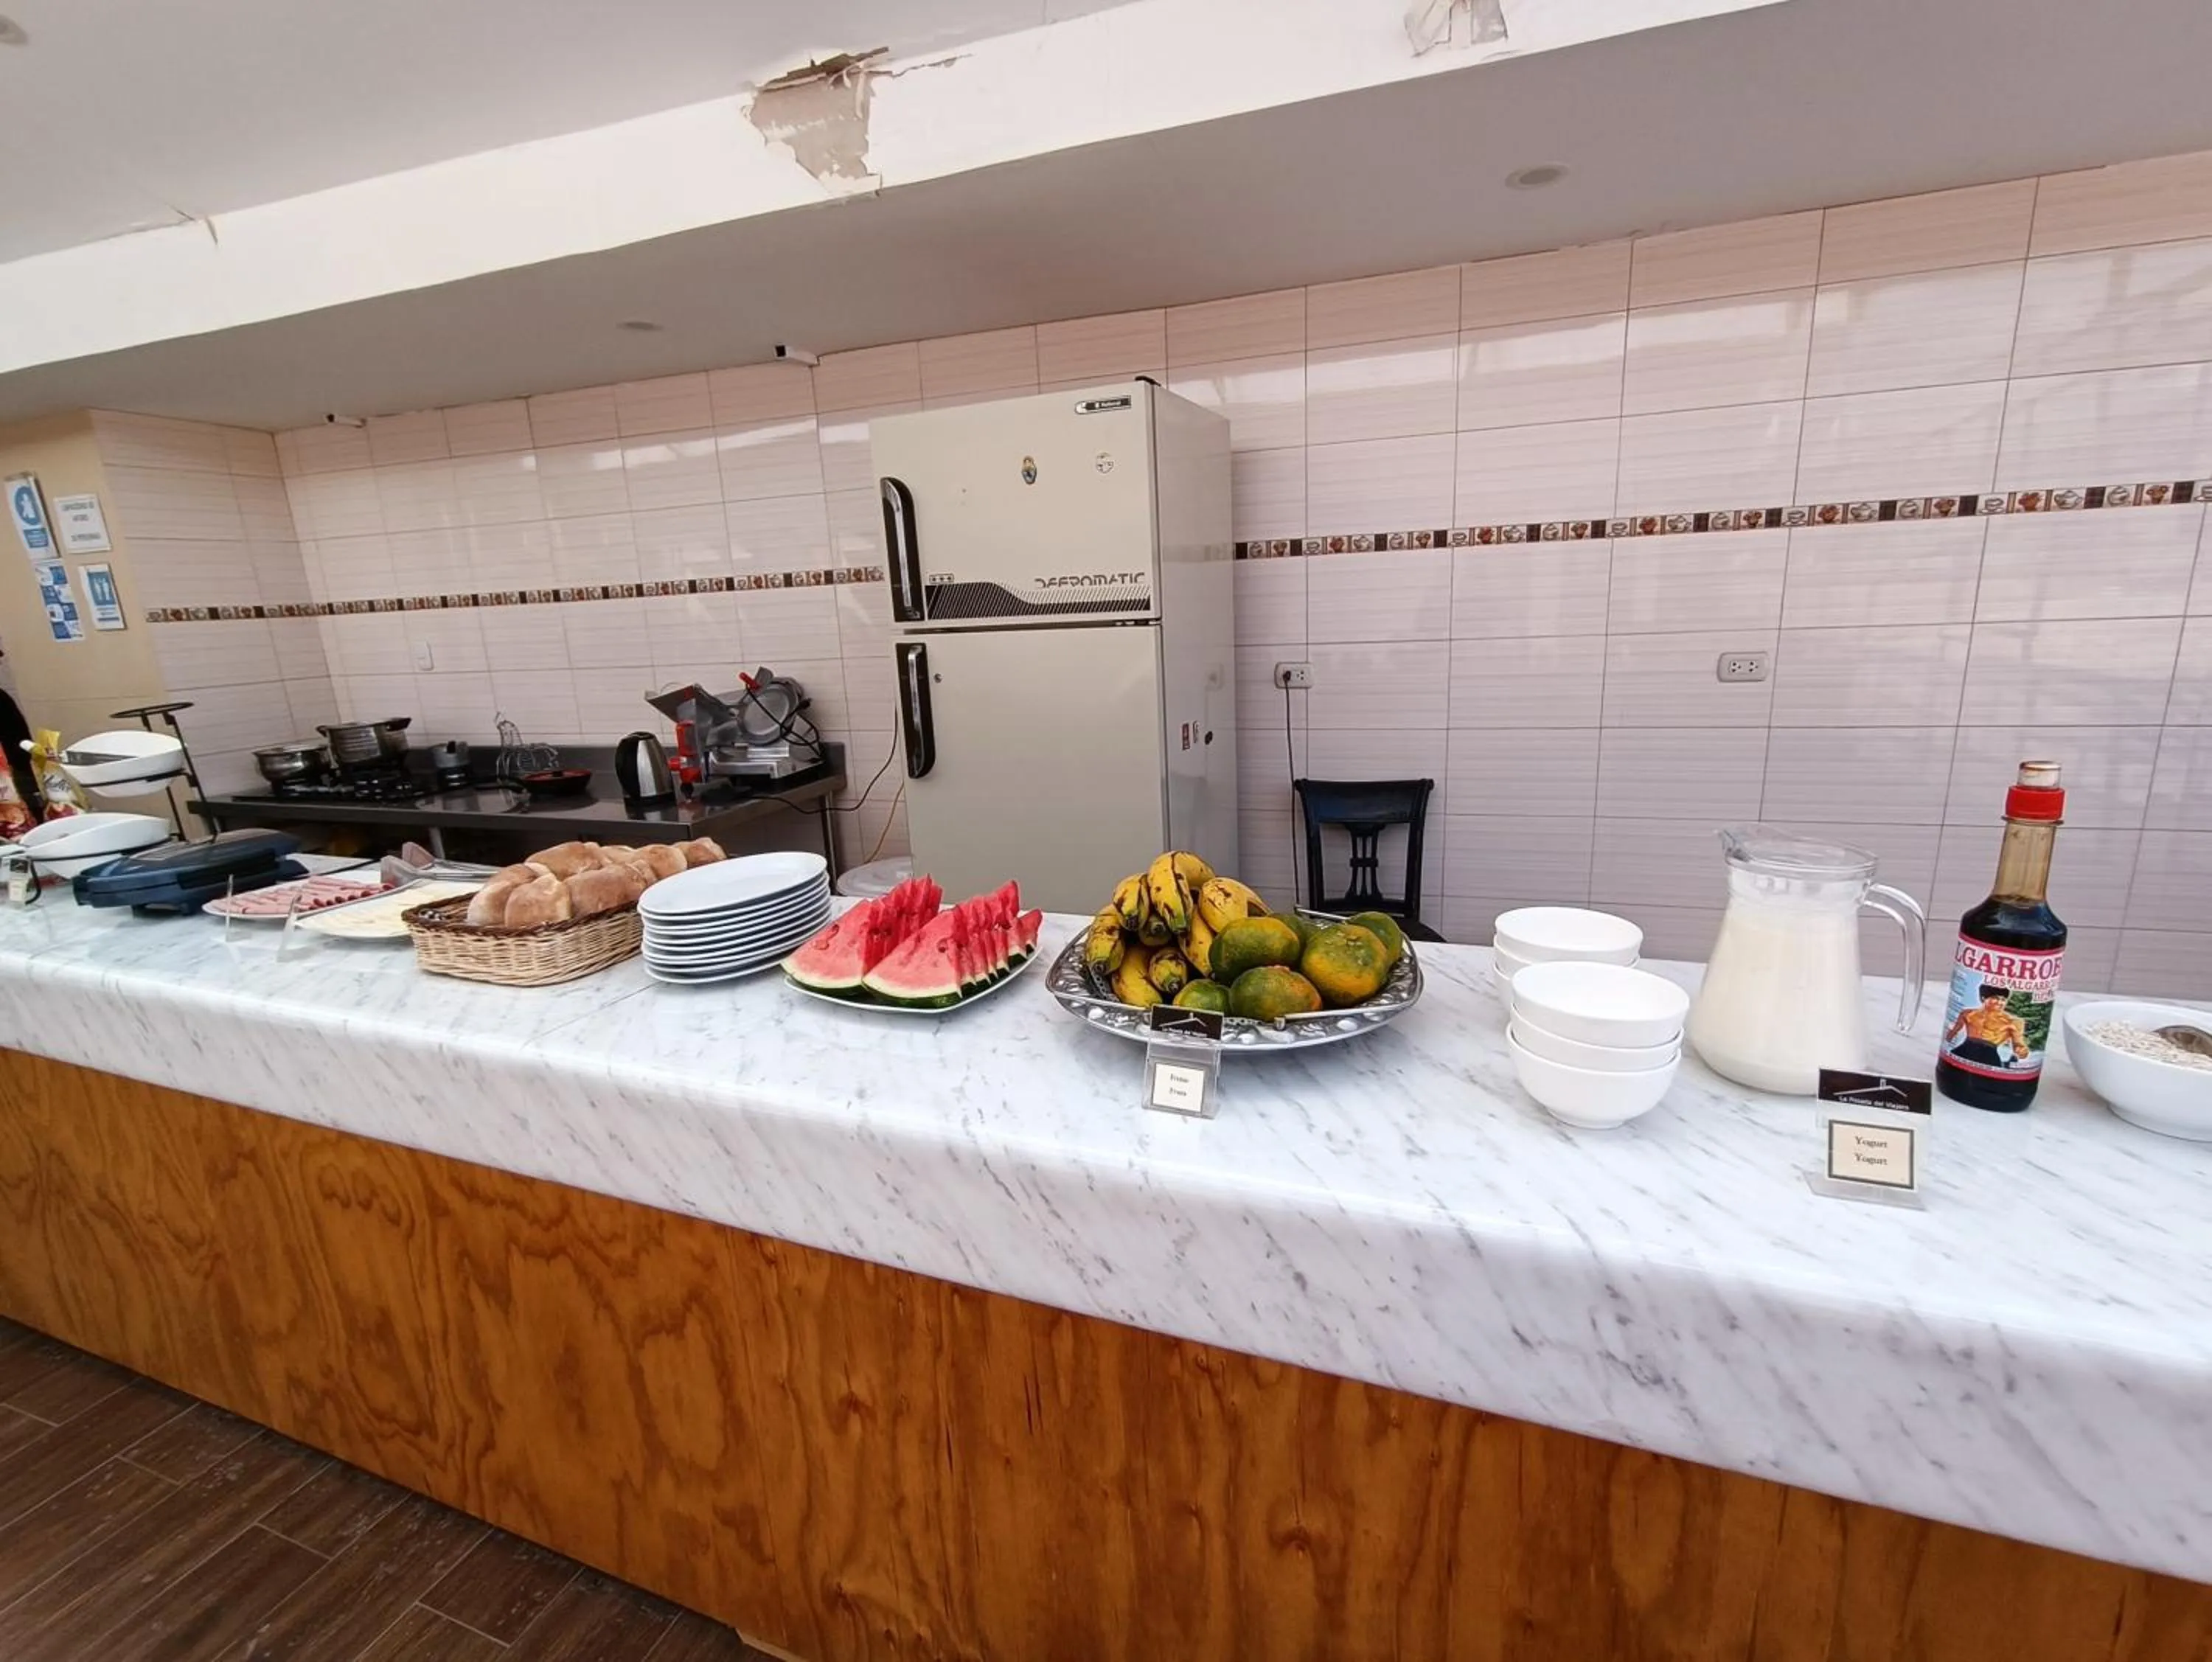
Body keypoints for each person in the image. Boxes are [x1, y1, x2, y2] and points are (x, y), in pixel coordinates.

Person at [1944, 984, 2028, 1070]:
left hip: (1990, 1055)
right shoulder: (1968, 1014)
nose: (2000, 1003)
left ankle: (2007, 1064)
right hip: (1965, 1049)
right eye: (1995, 998)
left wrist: (2022, 1051)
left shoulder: (2013, 1022)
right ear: (1983, 998)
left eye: (2003, 1000)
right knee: (1950, 1067)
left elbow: (2018, 1044)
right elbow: (1953, 1032)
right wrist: (1949, 1037)